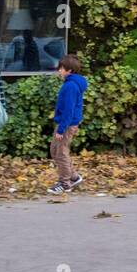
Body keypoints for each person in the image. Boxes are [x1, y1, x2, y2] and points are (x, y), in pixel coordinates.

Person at [49, 55, 87, 194]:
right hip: (64, 123)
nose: (59, 70)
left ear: (69, 70)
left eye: (62, 68)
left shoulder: (70, 86)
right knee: (55, 150)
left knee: (61, 152)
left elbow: (68, 110)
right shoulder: (70, 83)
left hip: (66, 124)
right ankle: (74, 177)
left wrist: (61, 129)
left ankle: (65, 183)